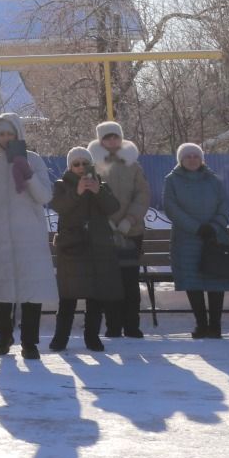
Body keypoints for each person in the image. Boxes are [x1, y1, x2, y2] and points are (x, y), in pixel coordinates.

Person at [0, 114, 58, 359]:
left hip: (30, 235)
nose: (6, 138)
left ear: (18, 133)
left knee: (31, 291)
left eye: (10, 133)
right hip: (1, 235)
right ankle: (4, 335)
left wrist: (27, 173)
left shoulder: (33, 160)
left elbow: (44, 196)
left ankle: (29, 342)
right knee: (2, 290)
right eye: (1, 134)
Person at [49, 147, 121, 352]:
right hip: (72, 248)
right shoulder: (62, 186)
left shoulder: (101, 184)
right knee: (68, 298)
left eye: (84, 163)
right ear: (70, 167)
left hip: (97, 248)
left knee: (95, 298)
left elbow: (113, 208)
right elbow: (59, 206)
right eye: (76, 164)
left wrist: (98, 192)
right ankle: (60, 338)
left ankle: (92, 337)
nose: (81, 168)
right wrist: (78, 192)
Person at [165, 142, 229, 338]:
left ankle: (215, 326)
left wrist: (213, 227)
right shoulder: (172, 180)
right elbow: (171, 208)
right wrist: (197, 228)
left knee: (215, 280)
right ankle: (201, 325)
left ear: (201, 159)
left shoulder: (214, 180)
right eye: (187, 156)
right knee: (193, 281)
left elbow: (224, 206)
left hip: (214, 238)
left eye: (195, 156)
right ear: (181, 159)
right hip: (186, 239)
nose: (192, 159)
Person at [89, 121, 150, 339]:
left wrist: (130, 219)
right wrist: (104, 221)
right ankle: (113, 325)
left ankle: (132, 325)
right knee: (109, 281)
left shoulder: (133, 164)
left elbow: (142, 195)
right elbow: (90, 196)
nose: (112, 141)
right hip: (104, 233)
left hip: (131, 232)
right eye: (107, 137)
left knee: (130, 282)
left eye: (115, 136)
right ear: (100, 140)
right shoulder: (92, 164)